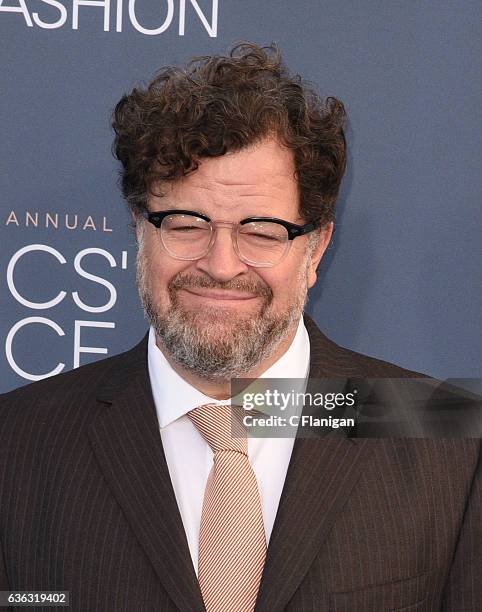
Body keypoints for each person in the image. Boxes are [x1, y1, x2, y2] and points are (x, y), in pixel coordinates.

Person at [0, 43, 480, 612]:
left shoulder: (450, 438)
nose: (221, 265)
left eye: (262, 231)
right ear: (139, 230)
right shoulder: (17, 443)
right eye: (186, 224)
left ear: (317, 247)